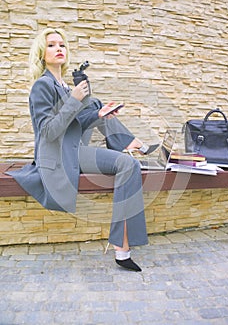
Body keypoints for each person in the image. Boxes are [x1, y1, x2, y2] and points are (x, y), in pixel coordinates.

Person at [7, 28, 157, 272]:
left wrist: (98, 115)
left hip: (74, 148)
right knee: (128, 164)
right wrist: (74, 100)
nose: (59, 48)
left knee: (105, 120)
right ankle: (122, 249)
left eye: (62, 45)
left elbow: (75, 124)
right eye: (52, 45)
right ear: (42, 53)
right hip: (59, 155)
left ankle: (122, 248)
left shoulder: (65, 86)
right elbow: (47, 133)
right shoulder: (41, 87)